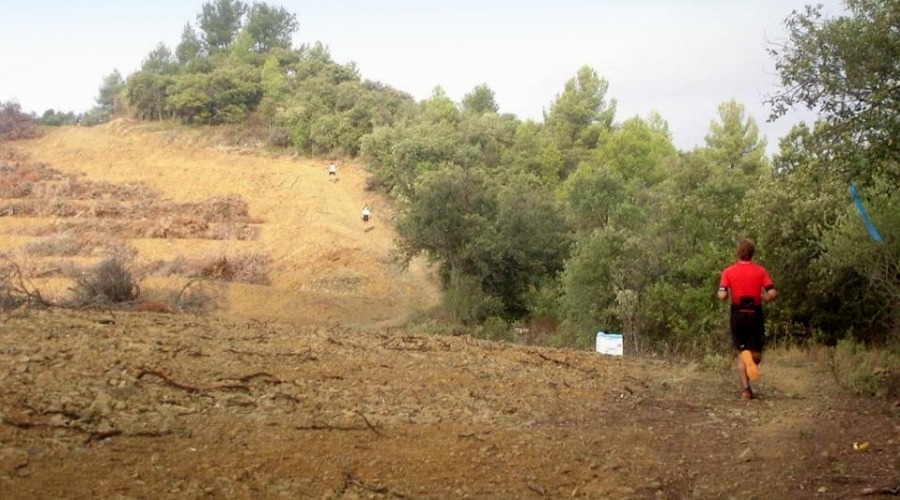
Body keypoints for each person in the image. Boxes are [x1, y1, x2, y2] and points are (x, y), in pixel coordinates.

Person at [717, 238, 777, 401]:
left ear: (738, 252)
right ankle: (749, 359)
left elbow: (722, 295)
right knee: (755, 355)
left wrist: (726, 294)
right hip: (755, 314)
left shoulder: (728, 272)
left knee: (741, 354)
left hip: (737, 315)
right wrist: (763, 296)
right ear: (752, 253)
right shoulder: (760, 271)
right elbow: (772, 293)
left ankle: (745, 390)